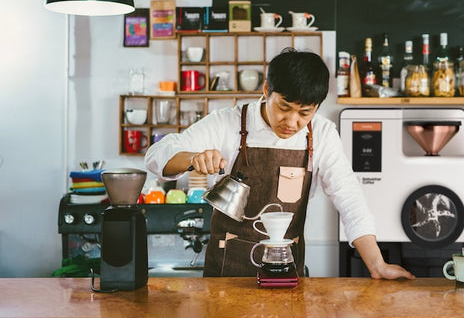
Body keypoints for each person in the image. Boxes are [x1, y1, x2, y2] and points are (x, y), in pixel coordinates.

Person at [145, 48, 415, 280]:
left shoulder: (321, 134)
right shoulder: (227, 123)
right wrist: (191, 159)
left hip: (285, 270)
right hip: (225, 273)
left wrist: (376, 264)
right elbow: (157, 155)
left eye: (305, 113)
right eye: (284, 107)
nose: (292, 122)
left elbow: (349, 197)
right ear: (266, 90)